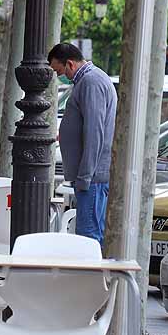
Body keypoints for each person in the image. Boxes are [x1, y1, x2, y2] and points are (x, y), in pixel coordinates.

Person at [48, 42, 117, 245]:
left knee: (89, 236)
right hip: (92, 175)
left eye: (58, 71)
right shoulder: (90, 80)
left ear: (70, 64)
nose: (59, 76)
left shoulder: (90, 82)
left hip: (92, 177)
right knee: (91, 232)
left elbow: (94, 131)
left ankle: (90, 276)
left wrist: (85, 176)